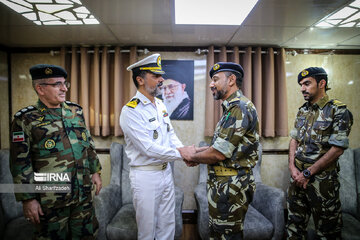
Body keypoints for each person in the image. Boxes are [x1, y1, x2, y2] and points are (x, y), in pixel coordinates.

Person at [10, 64, 102, 239]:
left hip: (82, 194)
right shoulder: (25, 119)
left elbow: (87, 143)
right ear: (40, 88)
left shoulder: (75, 111)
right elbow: (20, 164)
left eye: (64, 83)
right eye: (57, 84)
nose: (64, 88)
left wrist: (95, 171)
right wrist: (28, 199)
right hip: (51, 199)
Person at [178, 62, 260, 239]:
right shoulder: (230, 108)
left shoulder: (239, 107)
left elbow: (218, 153)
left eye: (215, 79)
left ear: (231, 80)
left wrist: (192, 155)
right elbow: (221, 146)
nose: (211, 84)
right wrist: (199, 153)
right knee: (218, 233)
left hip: (231, 186)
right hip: (224, 185)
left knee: (228, 235)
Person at [119, 53, 184, 240]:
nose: (161, 79)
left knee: (167, 227)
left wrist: (184, 151)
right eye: (155, 76)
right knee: (147, 231)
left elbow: (171, 135)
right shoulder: (130, 110)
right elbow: (147, 148)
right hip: (145, 175)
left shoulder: (161, 105)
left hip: (165, 172)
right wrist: (183, 155)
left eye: (160, 75)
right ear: (140, 79)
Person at [286, 67, 353, 239]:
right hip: (297, 178)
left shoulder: (338, 111)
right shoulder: (303, 110)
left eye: (307, 83)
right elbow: (294, 139)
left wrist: (308, 173)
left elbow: (337, 149)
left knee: (328, 231)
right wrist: (292, 168)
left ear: (322, 83)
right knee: (294, 226)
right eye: (301, 84)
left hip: (322, 182)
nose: (302, 88)